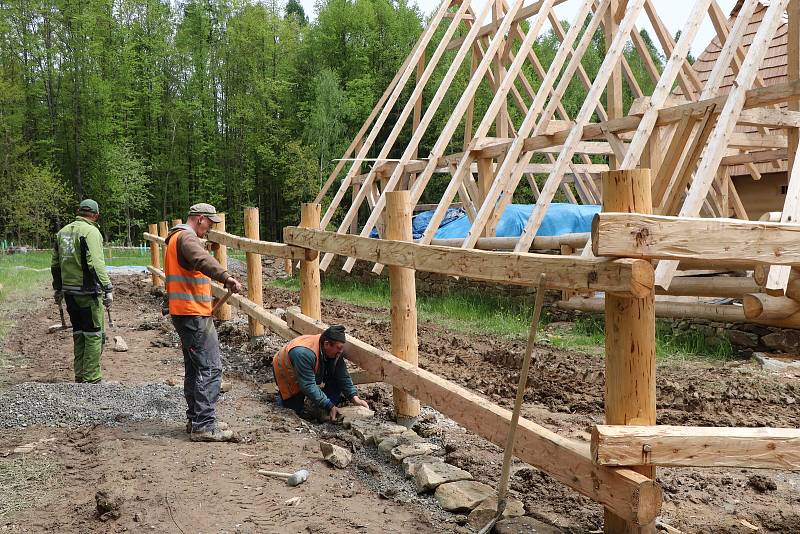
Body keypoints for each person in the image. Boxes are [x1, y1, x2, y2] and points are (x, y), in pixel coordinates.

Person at [164, 203, 243, 442]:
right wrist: (226, 277)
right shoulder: (187, 239)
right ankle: (204, 425)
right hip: (192, 312)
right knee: (210, 367)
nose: (209, 229)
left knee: (195, 367)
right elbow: (202, 260)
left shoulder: (174, 238)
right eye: (209, 223)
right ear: (199, 219)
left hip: (185, 311)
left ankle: (196, 418)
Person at [51, 199, 113, 383]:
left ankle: (79, 376)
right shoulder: (91, 232)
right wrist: (107, 287)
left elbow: (55, 264)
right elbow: (95, 263)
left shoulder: (62, 233)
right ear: (95, 215)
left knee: (78, 333)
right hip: (87, 293)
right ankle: (92, 380)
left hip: (69, 293)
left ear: (79, 212)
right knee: (94, 335)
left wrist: (58, 288)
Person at [273, 324, 370, 420]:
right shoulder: (303, 353)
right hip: (287, 370)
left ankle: (322, 407)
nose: (341, 351)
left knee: (336, 381)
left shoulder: (333, 348)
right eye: (339, 348)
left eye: (342, 347)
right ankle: (283, 400)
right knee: (293, 409)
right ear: (327, 344)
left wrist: (354, 398)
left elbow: (342, 375)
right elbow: (307, 385)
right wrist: (330, 405)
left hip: (308, 365)